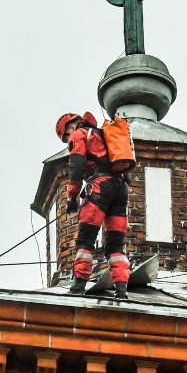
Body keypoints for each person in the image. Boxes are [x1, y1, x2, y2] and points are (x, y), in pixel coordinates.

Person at [55, 112, 130, 299]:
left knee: (86, 240)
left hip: (99, 187)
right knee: (115, 245)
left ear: (69, 128)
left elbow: (77, 166)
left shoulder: (79, 134)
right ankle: (121, 289)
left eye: (65, 137)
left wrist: (72, 198)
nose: (67, 141)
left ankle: (78, 286)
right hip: (120, 189)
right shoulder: (104, 135)